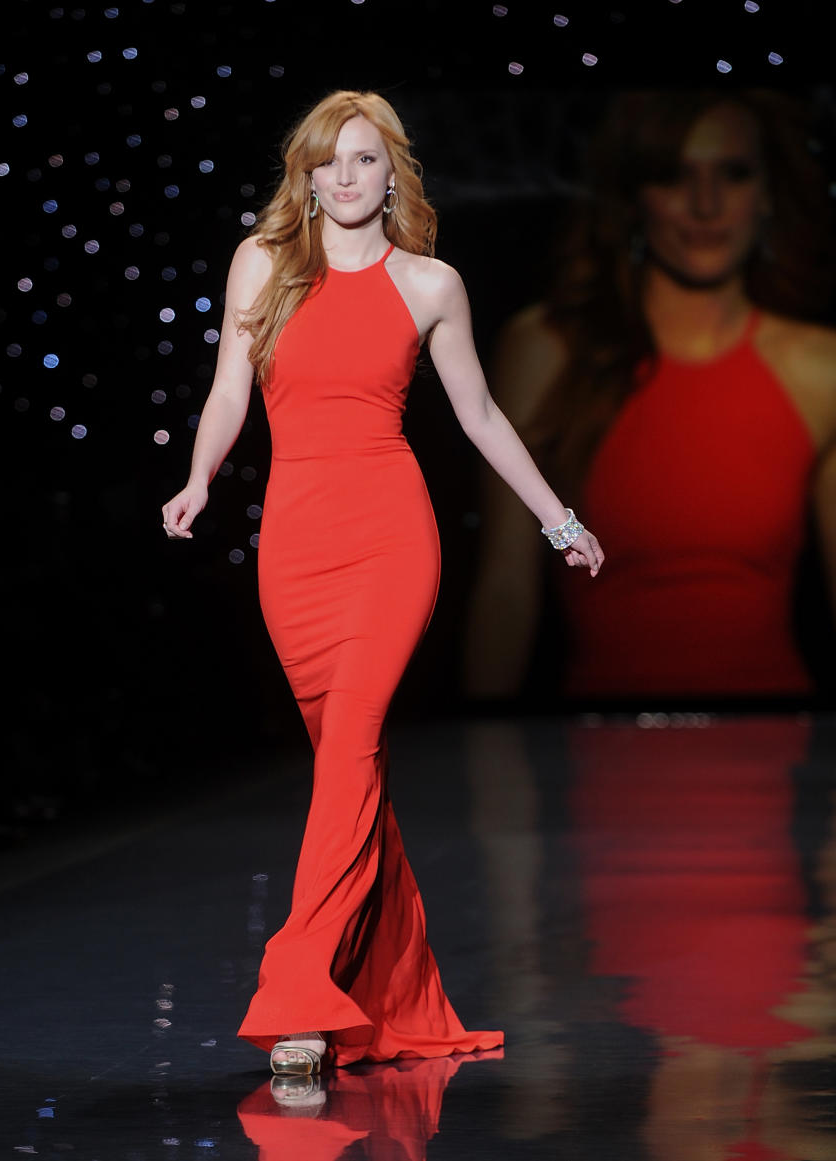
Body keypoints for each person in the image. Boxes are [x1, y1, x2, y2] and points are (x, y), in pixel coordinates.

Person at [161, 89, 604, 1075]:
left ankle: (300, 992)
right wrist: (196, 480)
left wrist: (558, 519)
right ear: (306, 175)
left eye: (365, 160)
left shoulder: (431, 284)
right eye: (329, 162)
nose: (347, 177)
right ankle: (392, 996)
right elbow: (229, 389)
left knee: (352, 744)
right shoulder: (262, 262)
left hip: (391, 541)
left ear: (392, 171)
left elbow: (482, 416)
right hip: (295, 546)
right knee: (345, 766)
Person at [464, 87, 836, 707]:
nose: (706, 205)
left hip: (779, 760)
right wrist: (482, 770)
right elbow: (505, 588)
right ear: (635, 197)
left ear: (769, 193)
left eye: (734, 173)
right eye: (674, 176)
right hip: (587, 766)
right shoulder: (547, 350)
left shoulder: (821, 368)